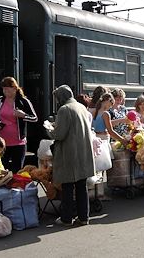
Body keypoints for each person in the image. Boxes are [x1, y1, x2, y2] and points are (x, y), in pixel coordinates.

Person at [47, 85, 95, 226]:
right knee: (81, 185)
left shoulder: (64, 109)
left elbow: (59, 134)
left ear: (61, 97)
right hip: (83, 151)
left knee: (67, 186)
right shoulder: (80, 106)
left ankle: (66, 218)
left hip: (70, 153)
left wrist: (49, 130)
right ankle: (84, 217)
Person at [0, 77, 37, 173]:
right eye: (4, 88)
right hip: (2, 142)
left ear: (15, 88)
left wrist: (23, 115)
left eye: (8, 88)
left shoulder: (23, 101)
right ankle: (3, 188)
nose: (5, 90)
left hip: (18, 142)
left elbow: (34, 118)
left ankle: (16, 188)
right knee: (2, 170)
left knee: (17, 171)